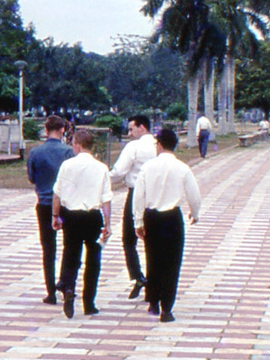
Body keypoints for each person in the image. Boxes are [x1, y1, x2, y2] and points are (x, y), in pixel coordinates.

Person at [133, 128, 201, 323]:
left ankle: (153, 301)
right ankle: (167, 308)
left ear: (160, 145)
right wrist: (195, 214)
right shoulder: (182, 168)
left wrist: (138, 221)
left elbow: (139, 196)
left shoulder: (148, 167)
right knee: (172, 263)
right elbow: (194, 195)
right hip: (172, 218)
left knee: (153, 259)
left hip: (152, 216)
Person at [52, 129, 112, 318]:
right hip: (93, 216)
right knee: (93, 260)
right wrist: (108, 223)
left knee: (71, 254)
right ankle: (89, 302)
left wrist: (55, 215)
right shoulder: (101, 167)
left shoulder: (67, 165)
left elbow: (58, 193)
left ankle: (68, 286)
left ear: (77, 144)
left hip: (71, 216)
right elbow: (106, 199)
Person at [26, 115, 74, 305]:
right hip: (65, 204)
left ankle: (50, 291)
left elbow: (31, 177)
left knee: (48, 248)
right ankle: (66, 283)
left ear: (46, 130)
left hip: (45, 203)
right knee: (69, 246)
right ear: (63, 130)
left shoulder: (36, 152)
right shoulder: (68, 152)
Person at [109, 115, 157, 299]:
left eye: (131, 129)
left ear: (142, 127)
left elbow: (119, 172)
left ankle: (137, 275)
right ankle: (153, 280)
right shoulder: (157, 145)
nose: (129, 133)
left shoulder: (134, 147)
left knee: (129, 239)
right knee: (151, 240)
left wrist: (103, 178)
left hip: (136, 194)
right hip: (155, 196)